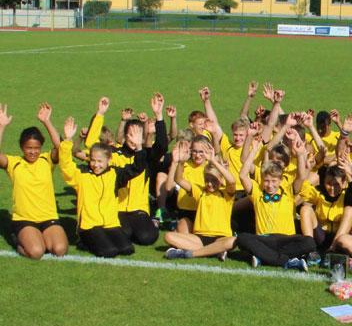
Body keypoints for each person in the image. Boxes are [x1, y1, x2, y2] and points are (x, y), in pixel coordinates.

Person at [85, 94, 167, 246]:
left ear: (143, 137)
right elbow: (91, 144)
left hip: (139, 210)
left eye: (138, 135)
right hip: (117, 209)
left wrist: (159, 115)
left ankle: (148, 224)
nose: (133, 139)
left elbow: (162, 146)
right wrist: (100, 114)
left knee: (147, 237)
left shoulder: (146, 156)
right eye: (130, 134)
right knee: (124, 233)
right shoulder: (114, 154)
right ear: (125, 135)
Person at [59, 117, 146, 258]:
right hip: (89, 226)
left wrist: (139, 147)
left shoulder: (115, 174)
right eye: (93, 160)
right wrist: (68, 140)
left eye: (100, 161)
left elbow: (137, 168)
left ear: (109, 160)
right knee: (109, 251)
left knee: (127, 249)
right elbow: (66, 166)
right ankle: (83, 241)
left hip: (110, 223)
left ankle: (101, 239)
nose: (96, 165)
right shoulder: (81, 174)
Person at [235, 126, 315, 270]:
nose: (270, 185)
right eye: (266, 181)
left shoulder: (288, 190)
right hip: (265, 238)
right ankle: (287, 261)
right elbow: (242, 175)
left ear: (280, 180)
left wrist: (300, 154)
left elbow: (301, 176)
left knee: (309, 242)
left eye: (273, 181)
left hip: (287, 239)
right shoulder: (257, 192)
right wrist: (254, 149)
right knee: (242, 238)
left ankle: (263, 257)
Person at [0, 103, 68, 259]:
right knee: (37, 252)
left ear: (41, 147)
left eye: (36, 148)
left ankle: (40, 237)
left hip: (48, 217)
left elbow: (60, 147)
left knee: (60, 250)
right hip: (24, 220)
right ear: (22, 147)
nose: (33, 152)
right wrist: (2, 126)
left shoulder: (46, 160)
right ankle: (17, 239)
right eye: (29, 148)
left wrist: (46, 121)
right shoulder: (14, 163)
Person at [163, 141, 238, 260]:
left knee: (233, 241)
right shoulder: (200, 192)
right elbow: (179, 180)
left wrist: (214, 162)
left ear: (221, 179)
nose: (210, 183)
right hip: (199, 238)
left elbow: (232, 181)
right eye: (207, 180)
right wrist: (181, 162)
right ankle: (214, 251)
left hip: (221, 237)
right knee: (168, 236)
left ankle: (190, 253)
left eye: (213, 180)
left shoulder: (226, 194)